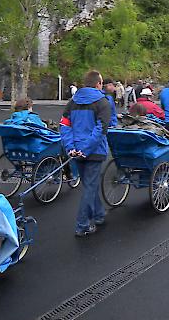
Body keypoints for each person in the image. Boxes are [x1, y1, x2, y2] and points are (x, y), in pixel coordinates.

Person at [60, 70, 113, 237]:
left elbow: (65, 126)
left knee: (89, 184)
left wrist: (70, 147)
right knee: (90, 187)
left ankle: (98, 214)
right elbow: (101, 130)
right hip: (93, 151)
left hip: (75, 150)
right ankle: (82, 225)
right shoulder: (103, 102)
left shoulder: (72, 102)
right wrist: (87, 148)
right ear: (98, 84)